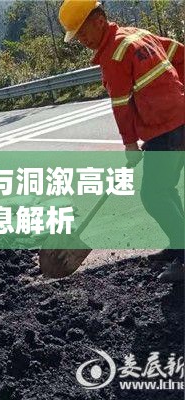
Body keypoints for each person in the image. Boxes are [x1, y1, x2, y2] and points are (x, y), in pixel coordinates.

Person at [59, 0, 184, 282]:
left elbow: (121, 105)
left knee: (154, 195)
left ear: (99, 20)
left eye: (83, 32)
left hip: (165, 128)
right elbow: (180, 54)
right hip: (174, 123)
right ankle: (178, 244)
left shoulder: (114, 54)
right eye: (77, 36)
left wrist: (129, 145)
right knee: (165, 189)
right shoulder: (137, 35)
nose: (82, 40)